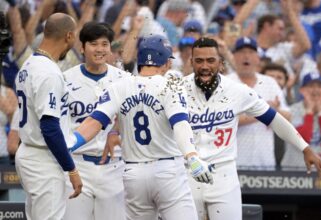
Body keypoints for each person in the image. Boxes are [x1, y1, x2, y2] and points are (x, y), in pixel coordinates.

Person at [70, 35, 213, 220]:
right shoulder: (171, 85)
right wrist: (192, 156)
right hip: (167, 170)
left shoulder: (119, 86)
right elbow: (180, 123)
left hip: (133, 174)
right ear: (165, 61)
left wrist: (68, 144)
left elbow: (93, 122)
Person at [183, 37, 321, 220]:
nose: (205, 66)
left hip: (223, 173)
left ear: (221, 63)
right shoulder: (178, 89)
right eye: (199, 60)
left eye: (211, 60)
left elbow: (274, 119)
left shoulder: (237, 90)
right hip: (187, 171)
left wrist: (304, 147)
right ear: (191, 62)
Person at [14, 13, 82, 220]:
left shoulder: (28, 65)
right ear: (69, 36)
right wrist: (71, 169)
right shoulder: (48, 72)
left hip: (29, 152)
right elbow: (50, 128)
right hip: (42, 158)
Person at [63, 21, 128, 220]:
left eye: (104, 44)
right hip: (77, 164)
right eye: (93, 44)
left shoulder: (124, 79)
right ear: (82, 48)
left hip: (114, 167)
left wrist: (116, 130)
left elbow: (128, 119)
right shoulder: (65, 80)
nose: (99, 49)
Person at [228, 37, 291, 170]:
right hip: (233, 163)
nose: (246, 56)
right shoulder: (225, 83)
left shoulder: (269, 83)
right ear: (233, 56)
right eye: (241, 52)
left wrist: (274, 111)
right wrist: (265, 111)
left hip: (265, 161)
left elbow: (288, 117)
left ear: (258, 57)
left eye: (251, 52)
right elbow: (224, 119)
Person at [281, 73, 321, 169]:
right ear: (302, 91)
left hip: (319, 171)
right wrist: (309, 112)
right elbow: (302, 139)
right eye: (311, 86)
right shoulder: (293, 110)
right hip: (292, 170)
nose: (315, 90)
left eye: (319, 86)